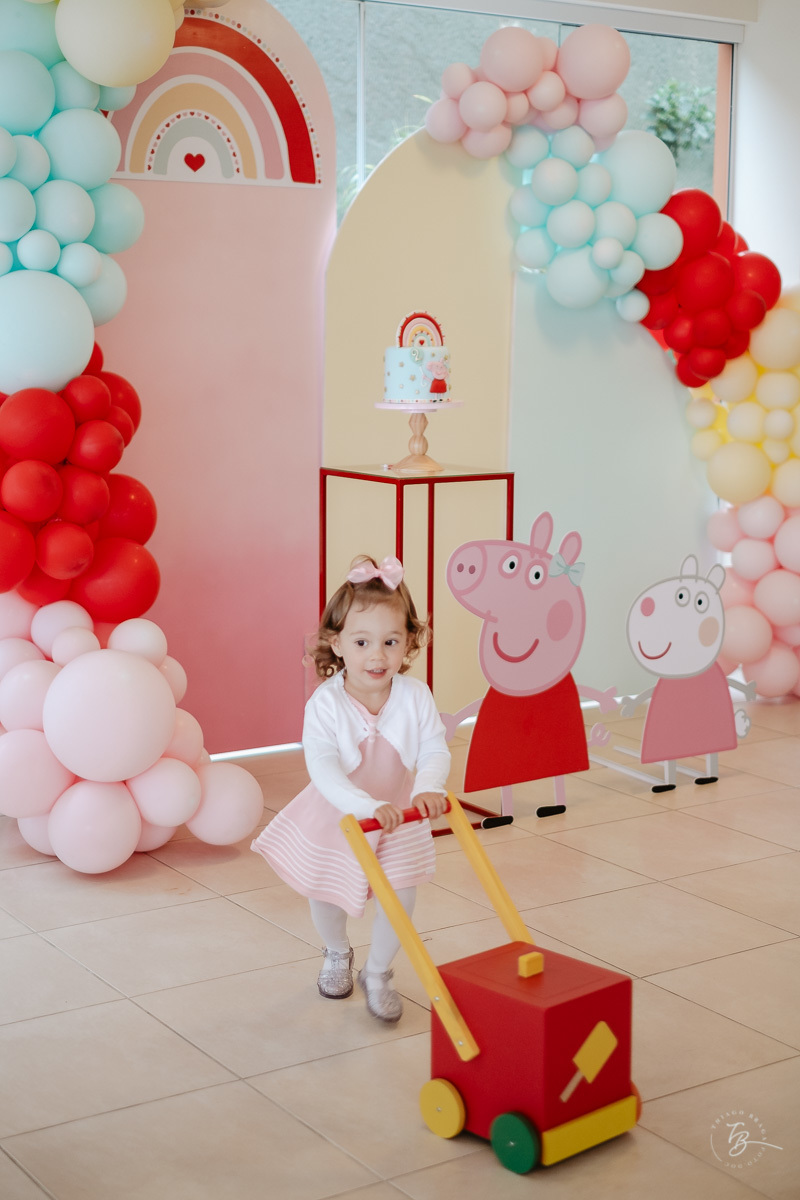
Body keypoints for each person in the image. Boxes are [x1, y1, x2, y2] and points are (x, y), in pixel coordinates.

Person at [252, 555, 450, 1022]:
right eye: (362, 642)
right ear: (337, 644)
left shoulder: (415, 697)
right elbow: (323, 768)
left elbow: (435, 749)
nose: (376, 655)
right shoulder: (326, 705)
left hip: (397, 814)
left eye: (390, 641)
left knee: (401, 895)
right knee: (327, 892)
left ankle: (379, 972)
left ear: (409, 643)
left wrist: (428, 786)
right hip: (339, 813)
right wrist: (365, 805)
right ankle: (337, 951)